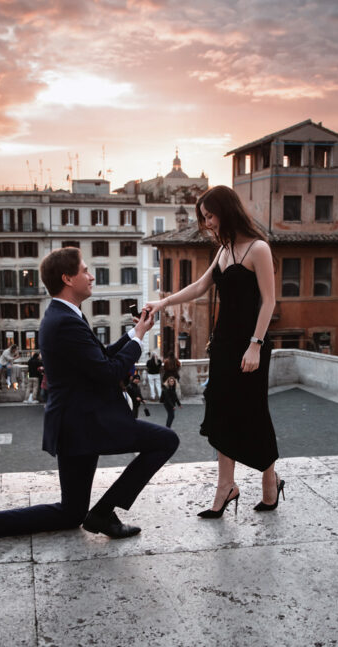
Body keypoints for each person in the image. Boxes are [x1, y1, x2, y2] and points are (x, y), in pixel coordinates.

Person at [0, 247, 178, 549]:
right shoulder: (66, 321)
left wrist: (133, 334)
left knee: (70, 512)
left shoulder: (61, 315)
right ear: (67, 278)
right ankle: (103, 513)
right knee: (166, 440)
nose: (91, 276)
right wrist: (139, 339)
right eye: (85, 270)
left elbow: (97, 358)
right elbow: (107, 372)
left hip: (73, 426)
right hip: (89, 423)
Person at [144, 184, 281, 518]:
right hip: (222, 344)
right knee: (219, 411)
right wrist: (163, 302)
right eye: (203, 218)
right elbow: (200, 286)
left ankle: (269, 480)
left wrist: (255, 346)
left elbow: (269, 301)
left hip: (250, 346)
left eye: (210, 215)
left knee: (253, 412)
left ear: (227, 210)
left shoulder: (258, 248)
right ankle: (226, 486)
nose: (207, 223)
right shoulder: (224, 250)